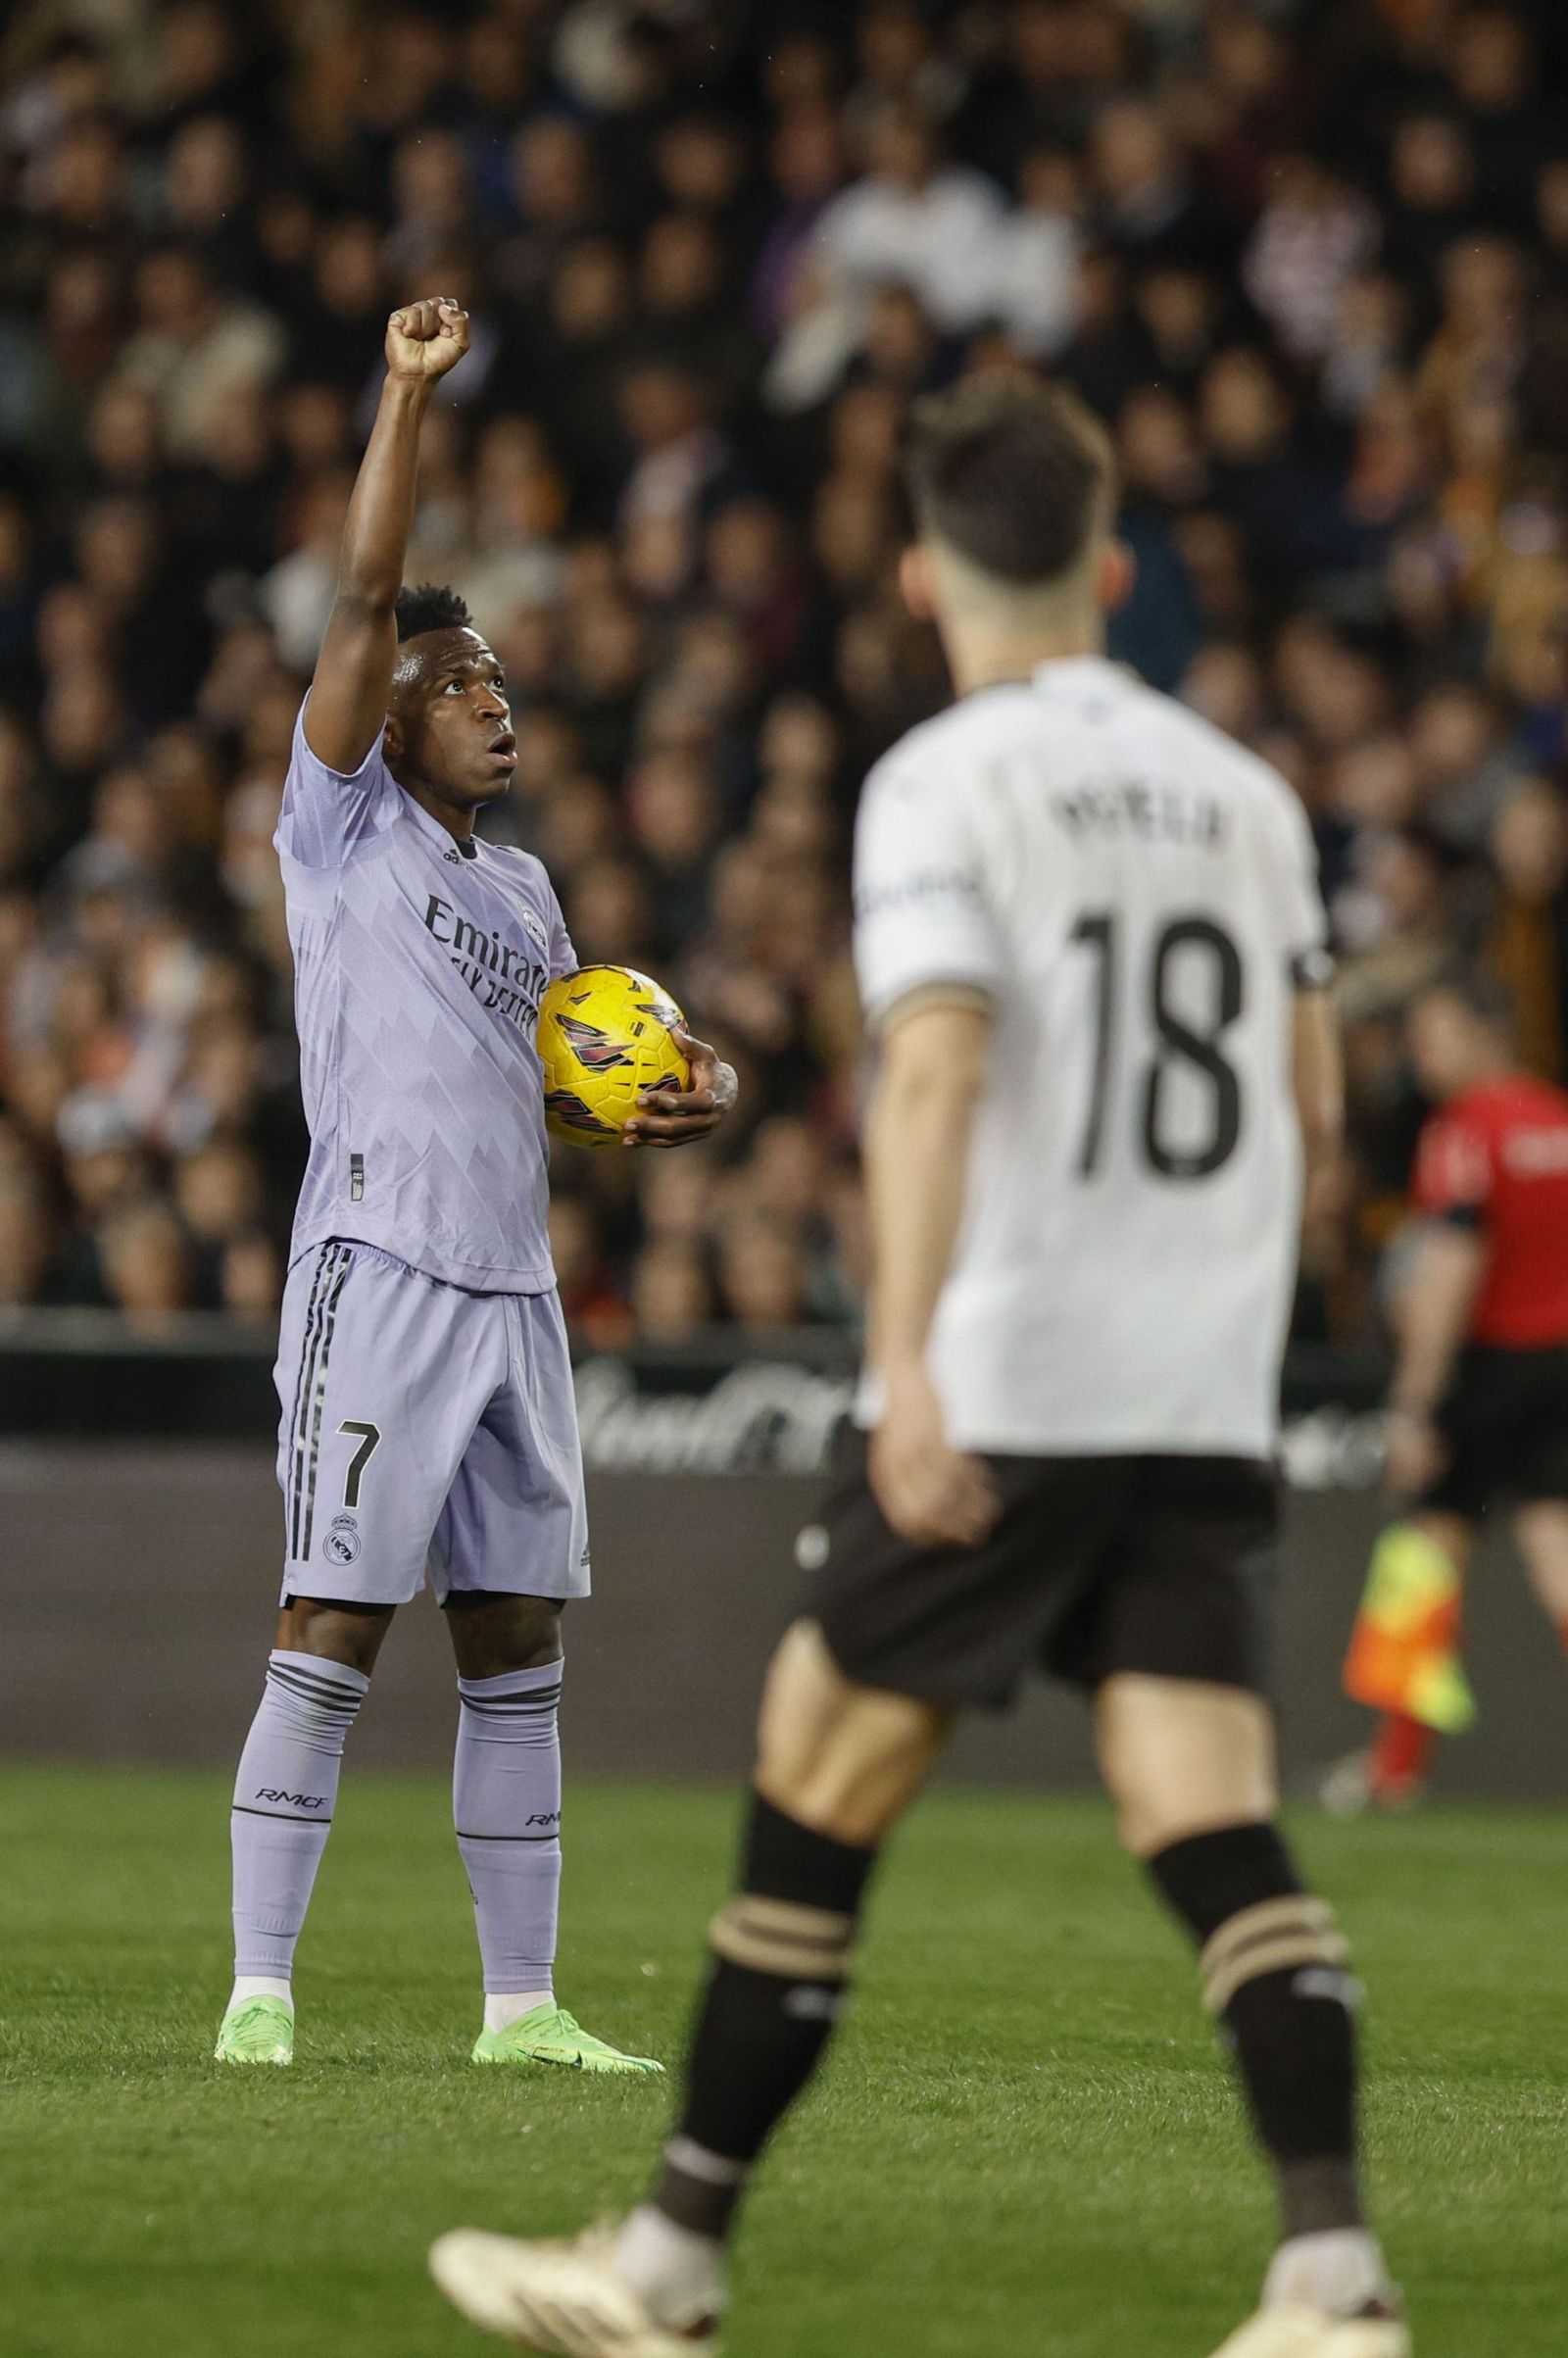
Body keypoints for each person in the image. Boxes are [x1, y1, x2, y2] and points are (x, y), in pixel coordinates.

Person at [429, 377, 1407, 2357]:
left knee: (813, 1774)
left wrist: (907, 1362)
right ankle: (1327, 2276)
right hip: (1195, 1386)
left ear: (912, 573)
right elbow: (1310, 1105)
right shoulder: (1243, 792)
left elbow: (939, 1066)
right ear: (1109, 569)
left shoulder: (940, 783)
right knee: (1203, 1812)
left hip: (1016, 1368)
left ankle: (667, 2269)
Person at [214, 298, 737, 2073]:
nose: (491, 700)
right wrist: (406, 393)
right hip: (380, 1270)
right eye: (459, 684)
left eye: (500, 681)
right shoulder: (336, 825)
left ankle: (523, 2011)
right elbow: (364, 601)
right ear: (389, 715)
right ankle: (260, 1992)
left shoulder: (524, 900)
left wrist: (673, 1098)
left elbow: (573, 1084)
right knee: (335, 1622)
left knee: (516, 1642)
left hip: (515, 1290)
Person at [1327, 973, 1568, 1810]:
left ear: (1482, 1031)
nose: (1421, 1056)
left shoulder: (1464, 1132)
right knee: (1559, 1563)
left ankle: (1395, 1768)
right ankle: (1394, 1767)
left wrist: (1418, 1402)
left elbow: (1452, 1267)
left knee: (1422, 1565)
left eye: (1434, 1035)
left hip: (1487, 1368)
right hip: (1562, 1365)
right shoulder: (1557, 1120)